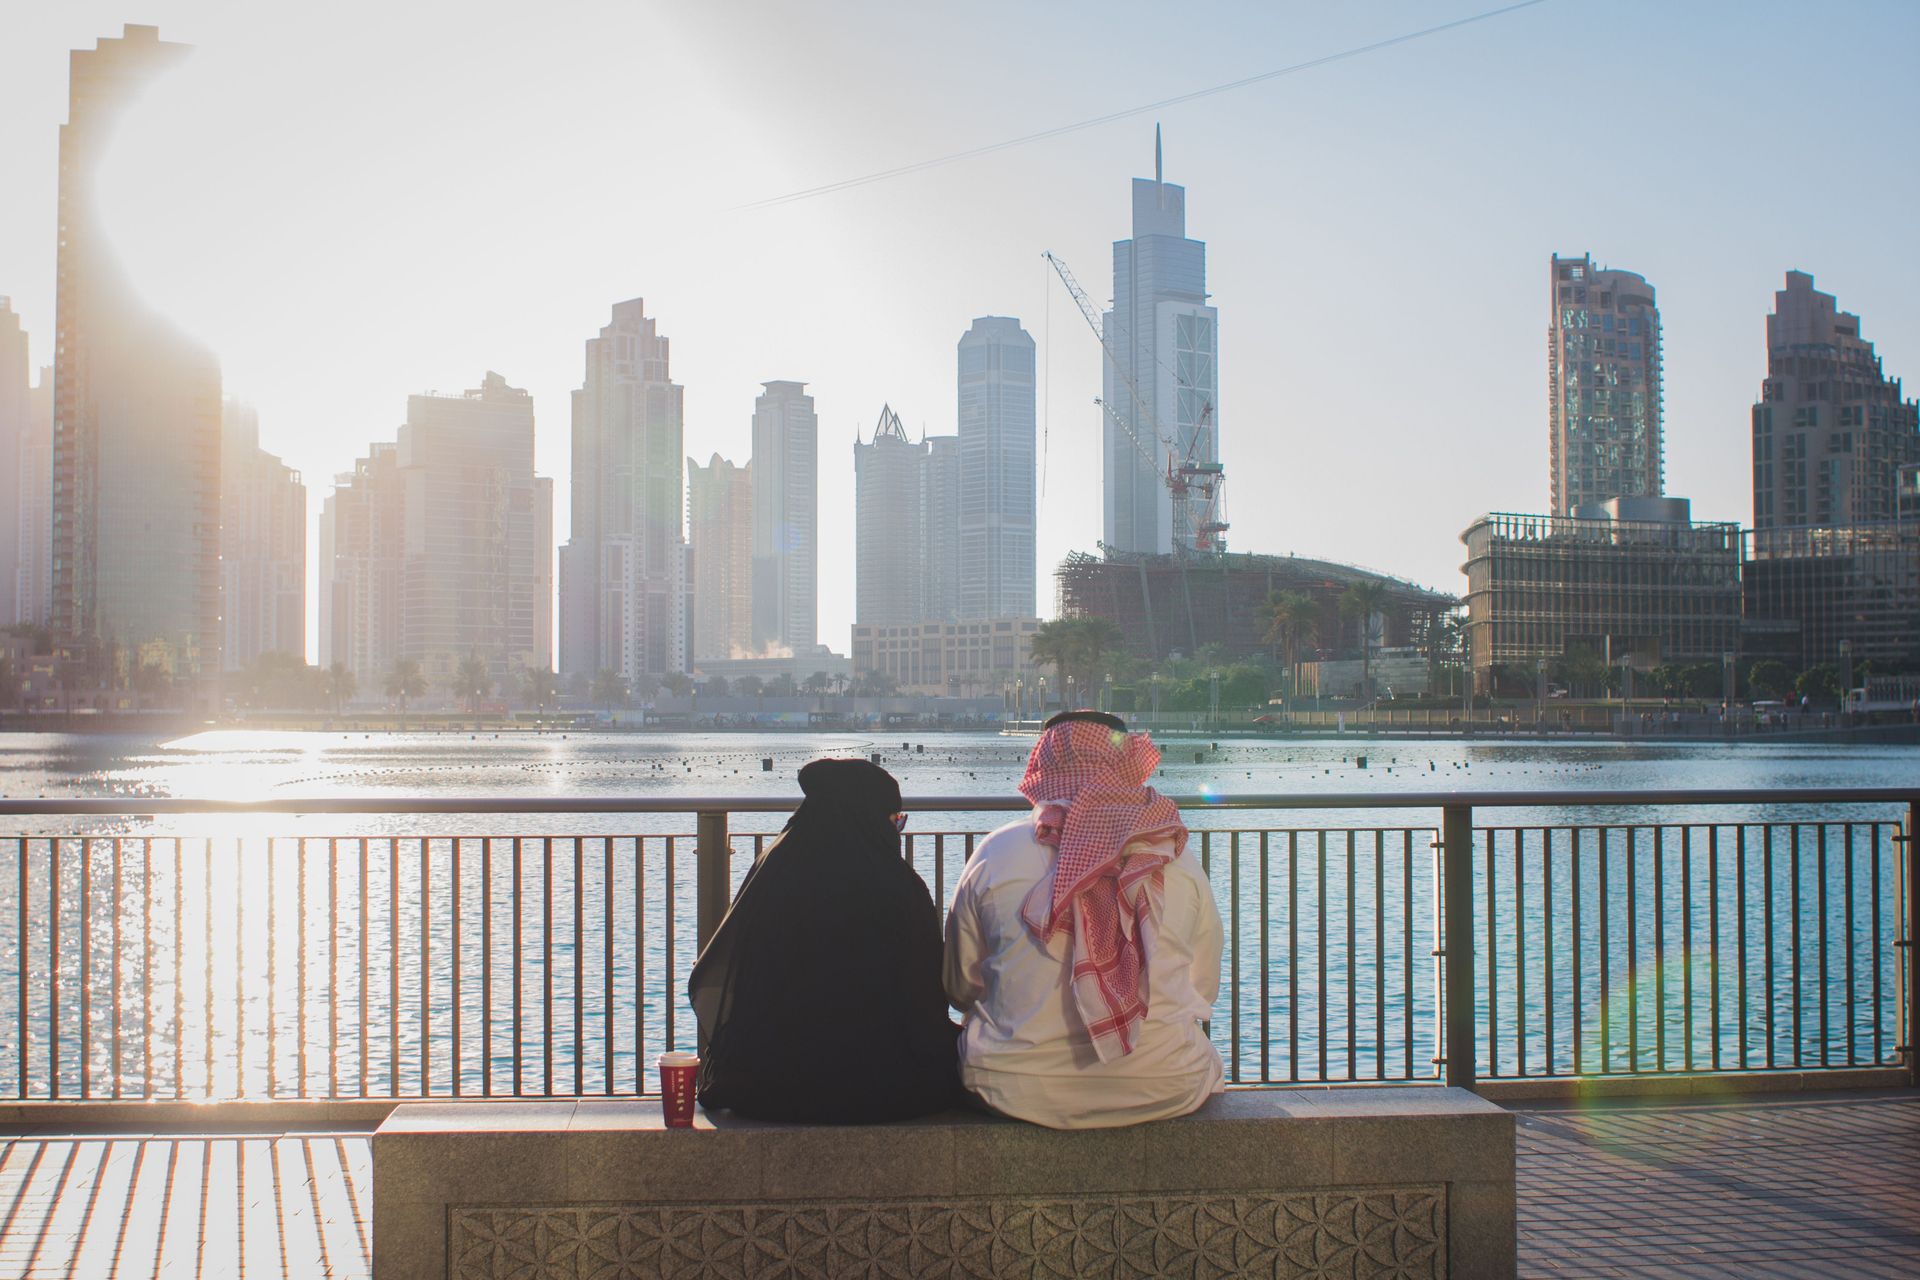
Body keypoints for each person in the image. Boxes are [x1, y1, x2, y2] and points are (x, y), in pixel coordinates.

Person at [943, 711, 1225, 1129]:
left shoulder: (996, 852)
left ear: (1042, 765)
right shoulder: (1176, 855)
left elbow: (960, 987)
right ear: (1129, 762)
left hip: (1010, 1087)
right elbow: (1203, 986)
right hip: (1168, 1083)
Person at [688, 758, 962, 1123]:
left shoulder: (775, 871)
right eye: (896, 820)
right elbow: (926, 995)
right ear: (870, 818)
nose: (897, 829)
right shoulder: (900, 888)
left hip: (769, 1085)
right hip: (890, 1089)